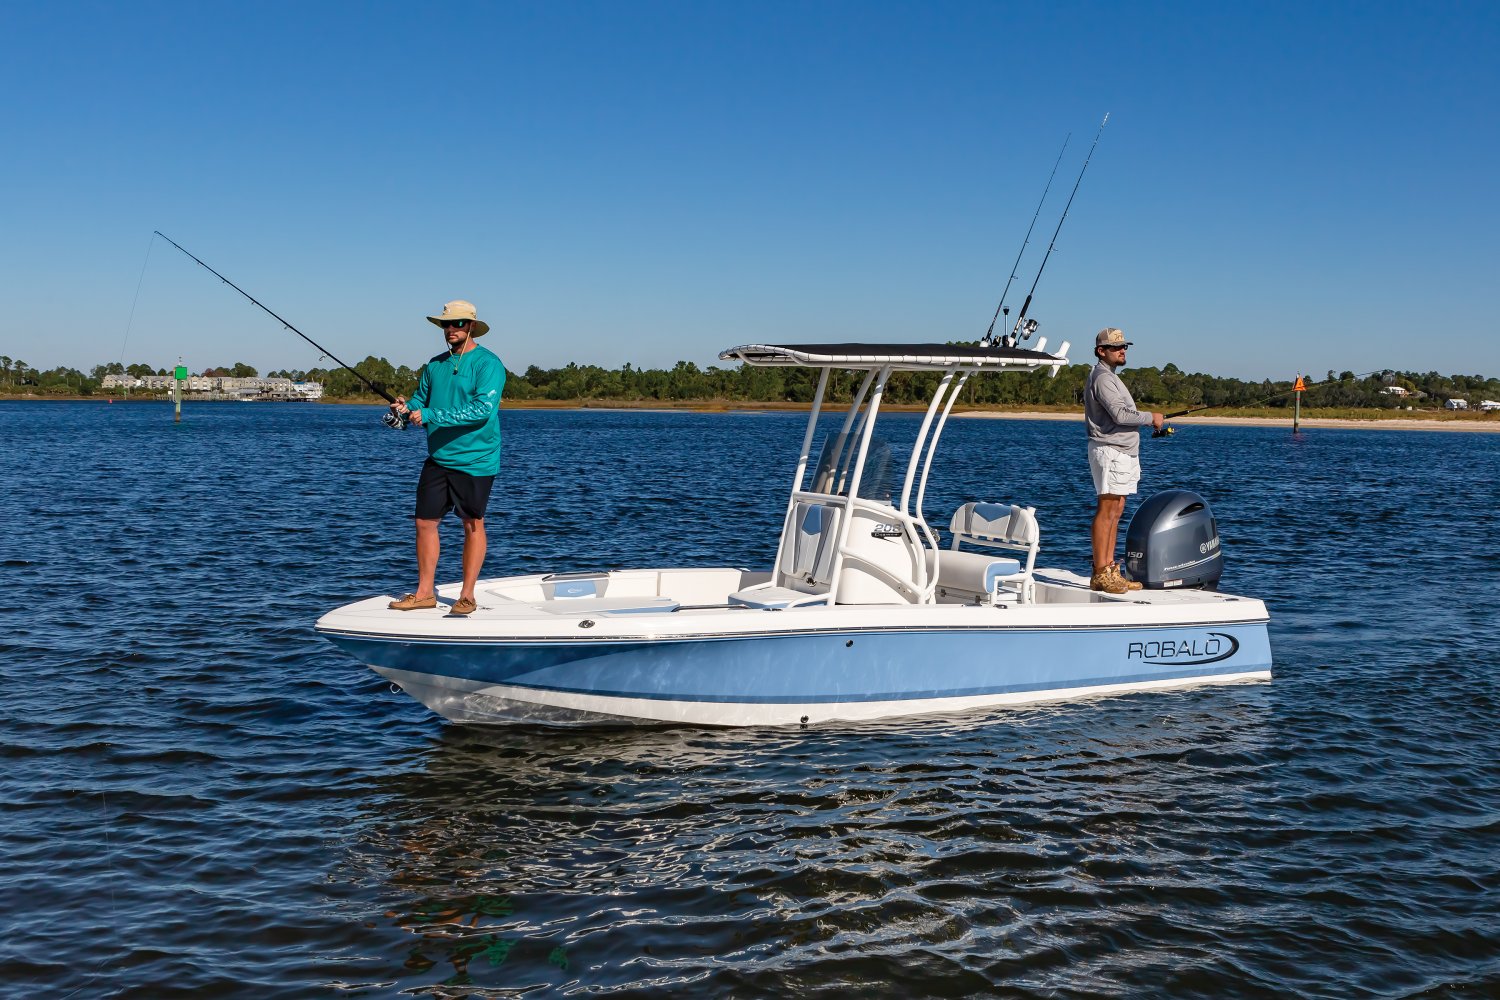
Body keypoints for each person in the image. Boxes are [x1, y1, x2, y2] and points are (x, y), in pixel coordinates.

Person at [387, 300, 506, 615]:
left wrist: (430, 415)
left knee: (472, 523)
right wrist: (405, 407)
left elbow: (482, 410)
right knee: (424, 522)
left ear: (471, 326)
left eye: (458, 324)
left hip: (476, 460)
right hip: (439, 458)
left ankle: (467, 596)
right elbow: (420, 399)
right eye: (446, 324)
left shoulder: (488, 364)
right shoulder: (435, 365)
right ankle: (424, 593)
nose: (451, 329)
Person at [1084, 327, 1163, 594]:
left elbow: (1123, 414)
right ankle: (1100, 572)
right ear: (1101, 351)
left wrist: (1146, 419)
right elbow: (1120, 415)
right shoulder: (1102, 378)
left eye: (1124, 346)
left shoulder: (1111, 377)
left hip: (1123, 452)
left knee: (1116, 510)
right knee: (1107, 510)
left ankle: (1109, 569)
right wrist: (1151, 417)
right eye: (1116, 347)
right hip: (1111, 451)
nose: (1122, 350)